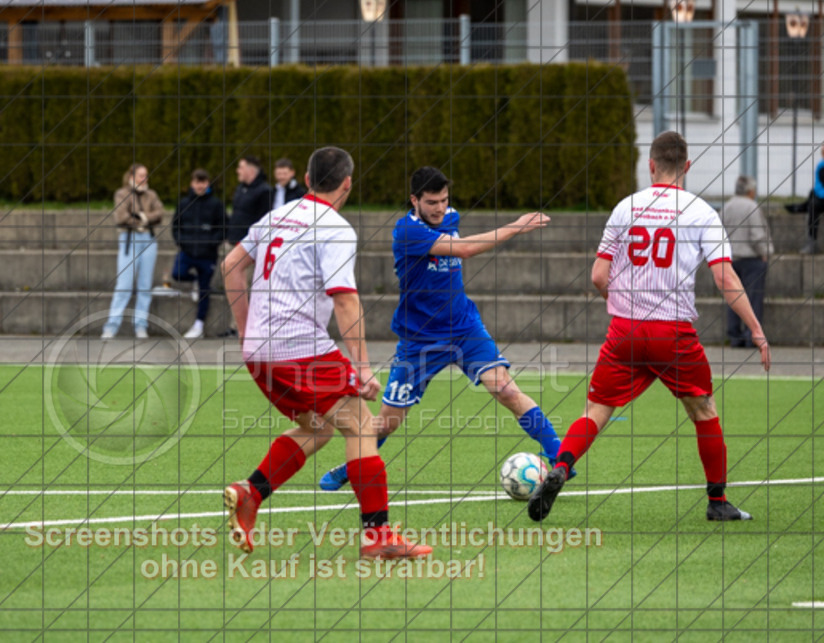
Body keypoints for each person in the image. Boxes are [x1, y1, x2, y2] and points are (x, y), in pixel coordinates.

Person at [528, 131, 771, 524]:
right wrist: (756, 330)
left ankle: (561, 466)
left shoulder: (625, 208)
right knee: (704, 410)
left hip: (624, 330)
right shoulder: (701, 212)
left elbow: (598, 275)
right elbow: (725, 278)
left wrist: (620, 305)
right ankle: (718, 501)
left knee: (596, 410)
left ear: (651, 164)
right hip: (672, 332)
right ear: (687, 167)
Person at [221, 146, 431, 560]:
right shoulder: (334, 227)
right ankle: (377, 536)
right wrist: (363, 368)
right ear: (347, 183)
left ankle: (250, 493)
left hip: (260, 351)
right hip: (300, 348)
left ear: (306, 178)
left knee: (318, 428)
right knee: (363, 427)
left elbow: (231, 265)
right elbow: (345, 299)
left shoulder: (275, 216)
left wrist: (246, 330)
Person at [318, 166, 564, 492]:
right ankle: (352, 467)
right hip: (419, 340)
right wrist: (516, 226)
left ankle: (561, 459)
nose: (439, 208)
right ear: (414, 200)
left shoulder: (450, 217)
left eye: (444, 200)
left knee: (506, 389)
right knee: (388, 423)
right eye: (431, 202)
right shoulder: (407, 231)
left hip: (464, 328)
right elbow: (464, 249)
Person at [101, 163, 164, 340]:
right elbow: (121, 217)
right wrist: (143, 220)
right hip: (130, 240)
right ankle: (111, 326)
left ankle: (140, 325)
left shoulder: (151, 194)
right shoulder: (122, 194)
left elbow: (159, 213)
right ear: (131, 177)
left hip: (149, 241)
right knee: (124, 286)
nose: (144, 179)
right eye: (140, 175)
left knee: (145, 286)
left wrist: (141, 217)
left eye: (146, 175)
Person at [219, 156, 272, 337]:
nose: (238, 171)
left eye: (241, 167)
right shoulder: (241, 189)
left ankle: (246, 328)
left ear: (251, 169)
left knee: (246, 286)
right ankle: (235, 326)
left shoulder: (264, 191)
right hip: (233, 243)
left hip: (249, 248)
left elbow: (264, 221)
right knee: (232, 285)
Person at [170, 168, 226, 339]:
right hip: (187, 251)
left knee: (204, 289)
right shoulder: (184, 203)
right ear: (192, 183)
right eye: (197, 182)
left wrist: (211, 243)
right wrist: (182, 242)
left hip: (207, 255)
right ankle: (193, 281)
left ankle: (199, 324)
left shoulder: (216, 204)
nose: (200, 186)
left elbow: (223, 227)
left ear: (207, 183)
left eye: (203, 182)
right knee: (177, 274)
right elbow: (175, 226)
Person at [721, 175, 773, 348]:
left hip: (731, 260)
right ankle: (751, 336)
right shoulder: (752, 207)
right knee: (753, 300)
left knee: (733, 299)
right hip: (752, 260)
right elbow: (757, 236)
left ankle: (735, 337)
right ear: (750, 191)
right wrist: (765, 252)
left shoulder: (727, 207)